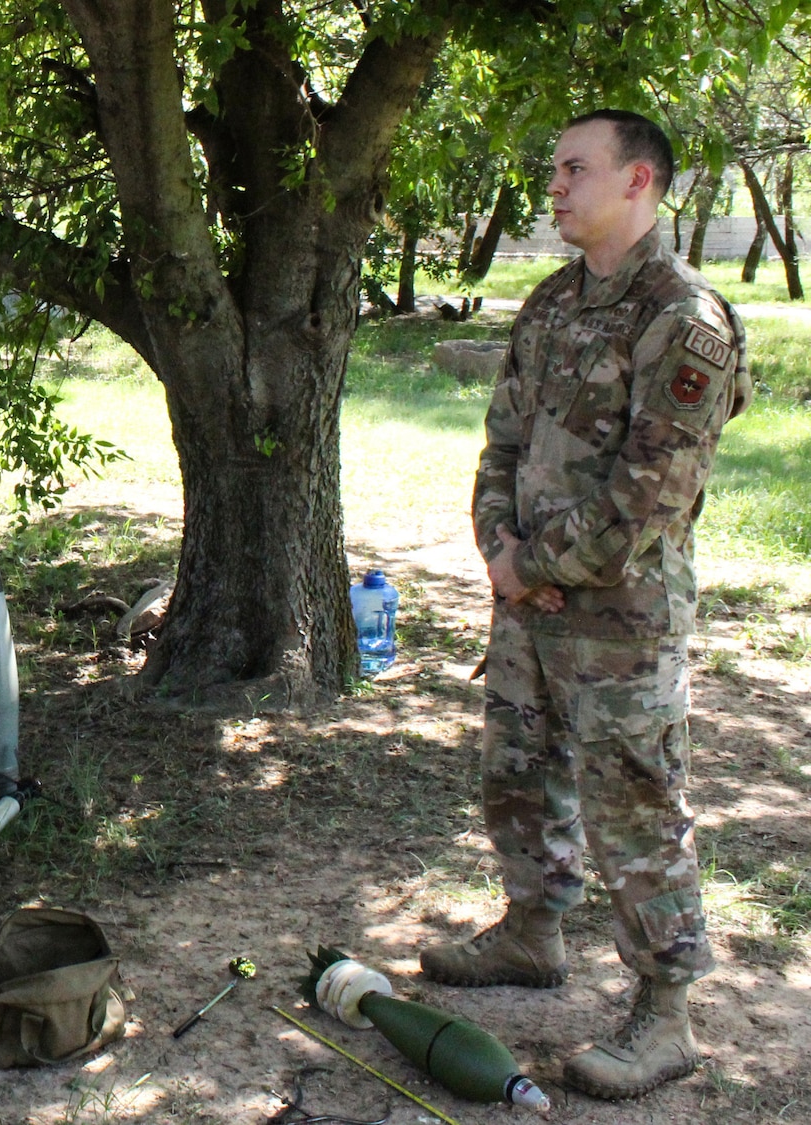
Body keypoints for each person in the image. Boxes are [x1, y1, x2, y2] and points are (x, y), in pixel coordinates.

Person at [425, 109, 750, 1100]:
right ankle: (531, 933)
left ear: (638, 182)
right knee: (518, 774)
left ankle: (662, 1017)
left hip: (622, 618)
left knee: (634, 807)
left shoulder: (681, 318)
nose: (554, 187)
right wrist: (498, 548)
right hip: (527, 596)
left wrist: (540, 563)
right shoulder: (552, 304)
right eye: (553, 169)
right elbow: (502, 444)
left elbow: (648, 496)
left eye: (574, 169)